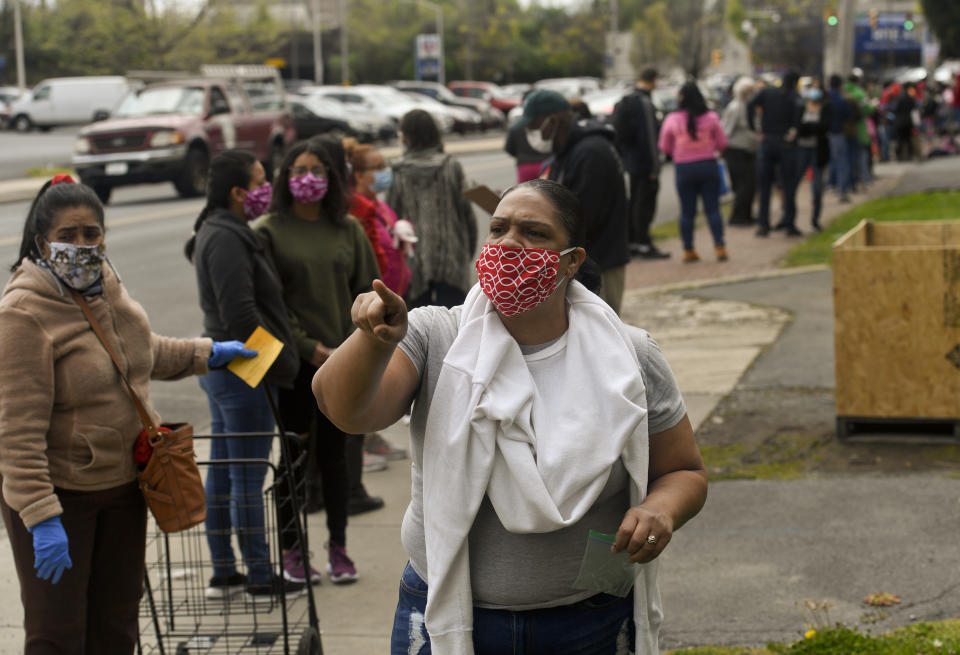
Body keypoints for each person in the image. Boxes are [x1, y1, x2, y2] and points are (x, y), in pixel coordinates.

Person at [312, 178, 707, 655]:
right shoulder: (436, 335)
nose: (508, 244)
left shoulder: (629, 355)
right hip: (443, 613)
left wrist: (660, 508)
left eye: (534, 233)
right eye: (498, 228)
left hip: (587, 621)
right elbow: (346, 412)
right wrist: (373, 341)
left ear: (572, 261)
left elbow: (683, 470)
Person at [0, 176, 255, 654]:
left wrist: (208, 353)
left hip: (123, 488)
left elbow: (139, 353)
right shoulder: (23, 313)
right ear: (41, 243)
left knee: (117, 625)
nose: (81, 245)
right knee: (57, 634)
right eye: (68, 235)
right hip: (62, 497)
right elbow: (16, 431)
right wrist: (40, 515)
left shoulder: (106, 287)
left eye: (91, 233)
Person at [254, 139, 380, 585]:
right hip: (294, 363)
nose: (308, 178)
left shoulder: (347, 228)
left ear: (332, 179)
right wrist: (310, 348)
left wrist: (355, 346)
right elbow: (270, 304)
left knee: (336, 458)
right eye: (298, 169)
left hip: (343, 360)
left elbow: (368, 291)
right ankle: (292, 551)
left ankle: (339, 550)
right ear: (284, 178)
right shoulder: (267, 230)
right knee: (292, 459)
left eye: (318, 171)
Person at [185, 150, 303, 602]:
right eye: (259, 181)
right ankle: (256, 575)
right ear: (239, 193)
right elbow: (240, 314)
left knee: (228, 473)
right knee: (248, 475)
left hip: (227, 368)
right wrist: (280, 360)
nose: (266, 187)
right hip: (241, 370)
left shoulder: (222, 230)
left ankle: (224, 573)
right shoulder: (226, 237)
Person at [520, 89, 631, 314]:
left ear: (553, 120)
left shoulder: (591, 152)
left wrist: (536, 224)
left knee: (597, 339)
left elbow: (583, 216)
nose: (531, 133)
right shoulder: (567, 151)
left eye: (534, 126)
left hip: (599, 264)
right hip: (578, 264)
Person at [387, 109, 477, 308]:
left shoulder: (398, 171)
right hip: (451, 257)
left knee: (419, 328)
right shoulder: (451, 166)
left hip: (413, 260)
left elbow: (390, 217)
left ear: (407, 138)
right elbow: (466, 213)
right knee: (454, 325)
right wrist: (467, 250)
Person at [658, 81, 729, 263]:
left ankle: (688, 249)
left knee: (687, 211)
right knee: (712, 208)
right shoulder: (711, 117)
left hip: (684, 168)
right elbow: (722, 143)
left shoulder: (672, 119)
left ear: (681, 98)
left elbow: (664, 146)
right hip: (708, 165)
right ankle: (720, 246)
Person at [612, 67, 670, 259]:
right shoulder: (644, 102)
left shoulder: (628, 99)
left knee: (635, 201)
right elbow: (650, 138)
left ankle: (634, 242)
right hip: (645, 163)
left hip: (632, 161)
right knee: (644, 204)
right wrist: (655, 167)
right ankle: (645, 243)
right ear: (653, 80)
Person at [343, 138, 412, 298]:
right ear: (359, 175)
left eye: (385, 165)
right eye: (378, 168)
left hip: (396, 296)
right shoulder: (357, 212)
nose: (386, 171)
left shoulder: (381, 205)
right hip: (374, 300)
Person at [748, 70, 804, 237]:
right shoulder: (794, 95)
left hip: (768, 141)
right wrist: (794, 129)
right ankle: (789, 223)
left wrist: (755, 128)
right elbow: (800, 109)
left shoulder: (768, 92)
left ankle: (763, 224)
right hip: (785, 143)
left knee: (764, 186)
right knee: (788, 185)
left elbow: (750, 104)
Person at [722, 76, 761, 227]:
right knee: (742, 185)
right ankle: (738, 217)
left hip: (748, 150)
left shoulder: (749, 106)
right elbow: (727, 130)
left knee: (750, 185)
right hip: (736, 151)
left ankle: (746, 214)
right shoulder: (735, 107)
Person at [795, 88, 831, 232]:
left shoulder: (825, 112)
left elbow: (823, 128)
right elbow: (800, 128)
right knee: (794, 183)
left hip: (817, 152)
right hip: (803, 150)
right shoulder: (800, 111)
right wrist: (811, 128)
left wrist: (808, 128)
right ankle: (790, 219)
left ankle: (815, 219)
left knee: (817, 187)